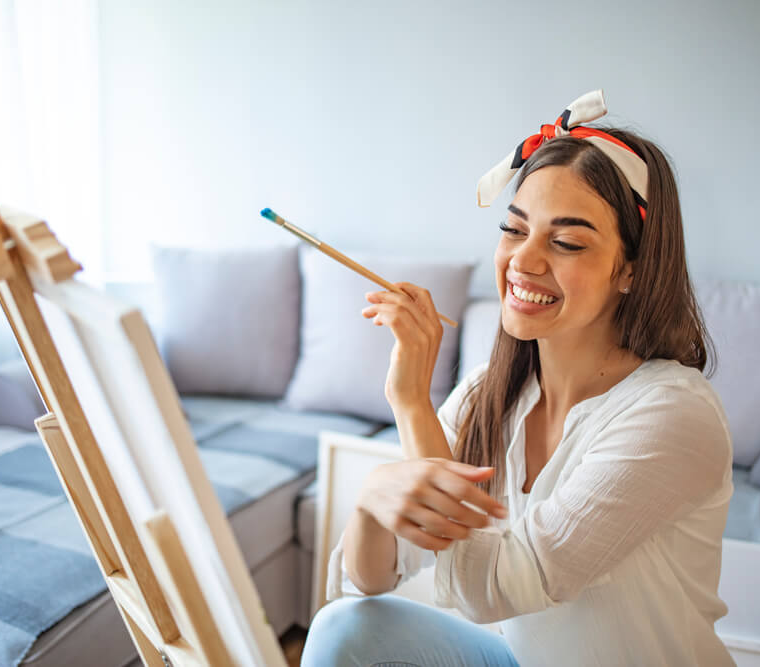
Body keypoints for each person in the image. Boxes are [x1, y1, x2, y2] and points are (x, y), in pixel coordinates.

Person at [301, 90, 735, 667]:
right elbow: (370, 578)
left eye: (566, 242)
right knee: (345, 630)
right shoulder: (491, 390)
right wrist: (369, 503)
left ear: (631, 270)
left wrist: (411, 404)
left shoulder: (673, 414)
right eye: (514, 229)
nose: (523, 262)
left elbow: (497, 587)